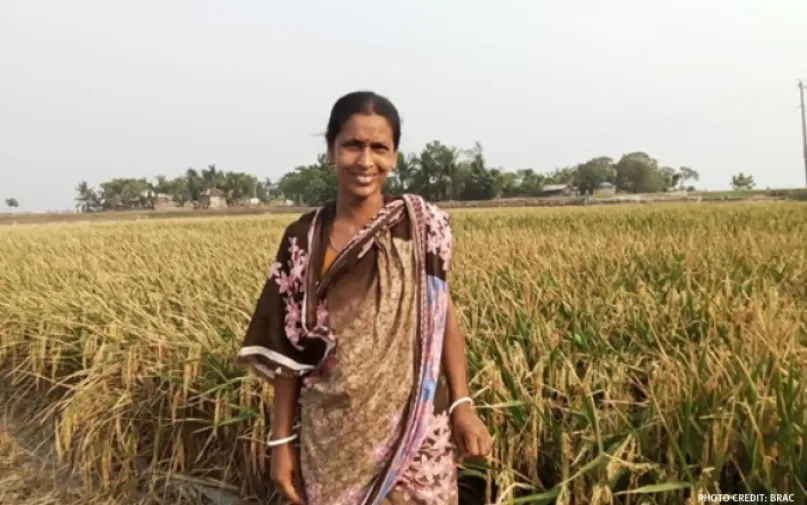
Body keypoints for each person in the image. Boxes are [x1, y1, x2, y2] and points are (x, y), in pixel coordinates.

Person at [237, 90, 493, 505]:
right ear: (331, 149)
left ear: (394, 156)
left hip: (417, 427)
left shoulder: (420, 227)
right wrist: (281, 440)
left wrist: (463, 404)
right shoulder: (304, 239)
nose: (365, 161)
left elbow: (441, 318)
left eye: (379, 148)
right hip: (334, 434)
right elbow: (288, 348)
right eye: (353, 145)